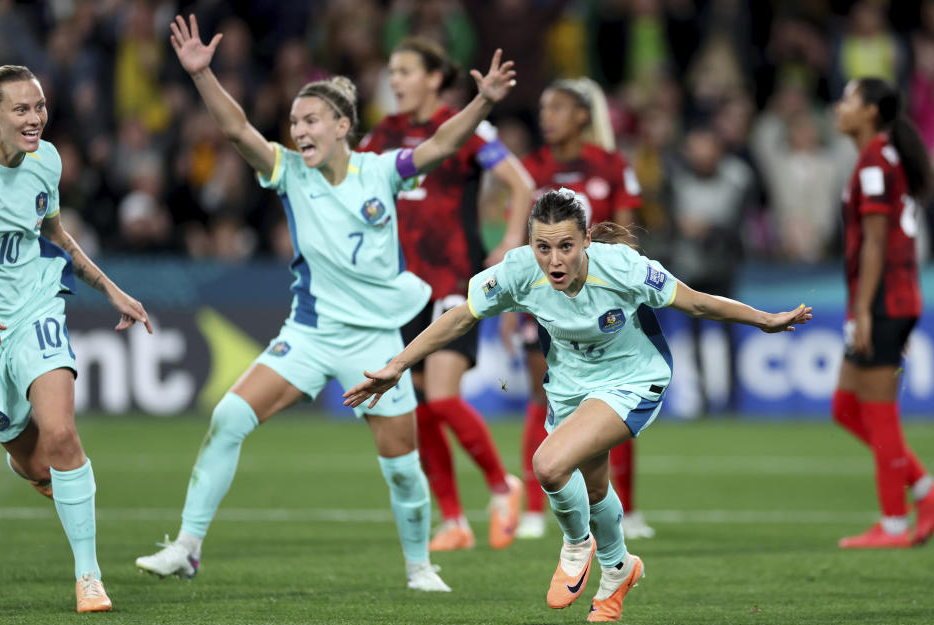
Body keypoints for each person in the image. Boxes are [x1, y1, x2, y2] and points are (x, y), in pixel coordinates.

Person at [134, 15, 516, 592]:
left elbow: (441, 144)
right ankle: (187, 548)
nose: (298, 131)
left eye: (310, 120)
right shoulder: (289, 173)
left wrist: (483, 103)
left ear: (341, 126)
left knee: (402, 469)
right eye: (292, 122)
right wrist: (203, 75)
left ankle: (419, 567)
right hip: (309, 335)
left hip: (375, 343)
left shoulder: (381, 171)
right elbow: (238, 132)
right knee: (229, 417)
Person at [344, 188, 811, 621]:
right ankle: (618, 569)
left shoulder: (622, 267)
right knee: (592, 488)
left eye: (566, 246)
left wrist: (763, 319)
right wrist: (399, 364)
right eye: (543, 247)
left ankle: (576, 544)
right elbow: (459, 317)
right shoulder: (518, 270)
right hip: (569, 386)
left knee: (548, 465)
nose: (554, 259)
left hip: (633, 378)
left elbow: (696, 304)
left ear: (587, 239)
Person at [358, 36, 533, 552]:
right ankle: (454, 521)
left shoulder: (465, 128)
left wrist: (507, 240)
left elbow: (519, 183)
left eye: (406, 71)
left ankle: (504, 488)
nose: (395, 81)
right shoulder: (384, 133)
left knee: (441, 396)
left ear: (435, 77)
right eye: (391, 72)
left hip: (454, 280)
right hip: (399, 286)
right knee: (418, 405)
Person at [0, 64, 153, 612]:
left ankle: (89, 578)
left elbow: (56, 235)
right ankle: (26, 464)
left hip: (35, 307)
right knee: (38, 463)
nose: (35, 118)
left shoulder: (48, 161)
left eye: (38, 106)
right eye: (21, 109)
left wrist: (112, 290)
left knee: (62, 435)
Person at [508, 77, 652, 540]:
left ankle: (625, 509)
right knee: (540, 396)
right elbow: (518, 241)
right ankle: (534, 506)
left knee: (614, 405)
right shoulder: (529, 169)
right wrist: (513, 305)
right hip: (545, 302)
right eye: (543, 108)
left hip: (604, 302)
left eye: (557, 108)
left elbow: (625, 231)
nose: (545, 117)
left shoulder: (610, 165)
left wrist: (618, 286)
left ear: (583, 116)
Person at [831, 77, 934, 548]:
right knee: (846, 408)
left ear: (871, 112)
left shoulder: (875, 163)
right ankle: (928, 490)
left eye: (848, 99)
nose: (839, 107)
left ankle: (894, 523)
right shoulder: (877, 159)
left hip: (884, 301)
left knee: (879, 410)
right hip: (879, 299)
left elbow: (877, 241)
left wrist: (862, 311)